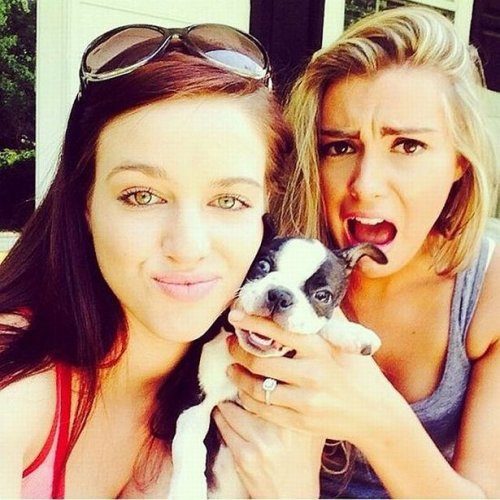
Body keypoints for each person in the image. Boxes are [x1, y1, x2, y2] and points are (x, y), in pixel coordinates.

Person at [0, 23, 323, 498]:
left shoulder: (257, 390)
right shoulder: (18, 386)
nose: (187, 246)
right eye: (142, 195)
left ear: (264, 211)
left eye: (229, 200)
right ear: (85, 201)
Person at [218, 6, 500, 498]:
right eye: (340, 147)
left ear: (459, 160)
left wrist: (375, 417)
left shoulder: (486, 294)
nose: (365, 184)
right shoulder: (263, 261)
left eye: (407, 145)